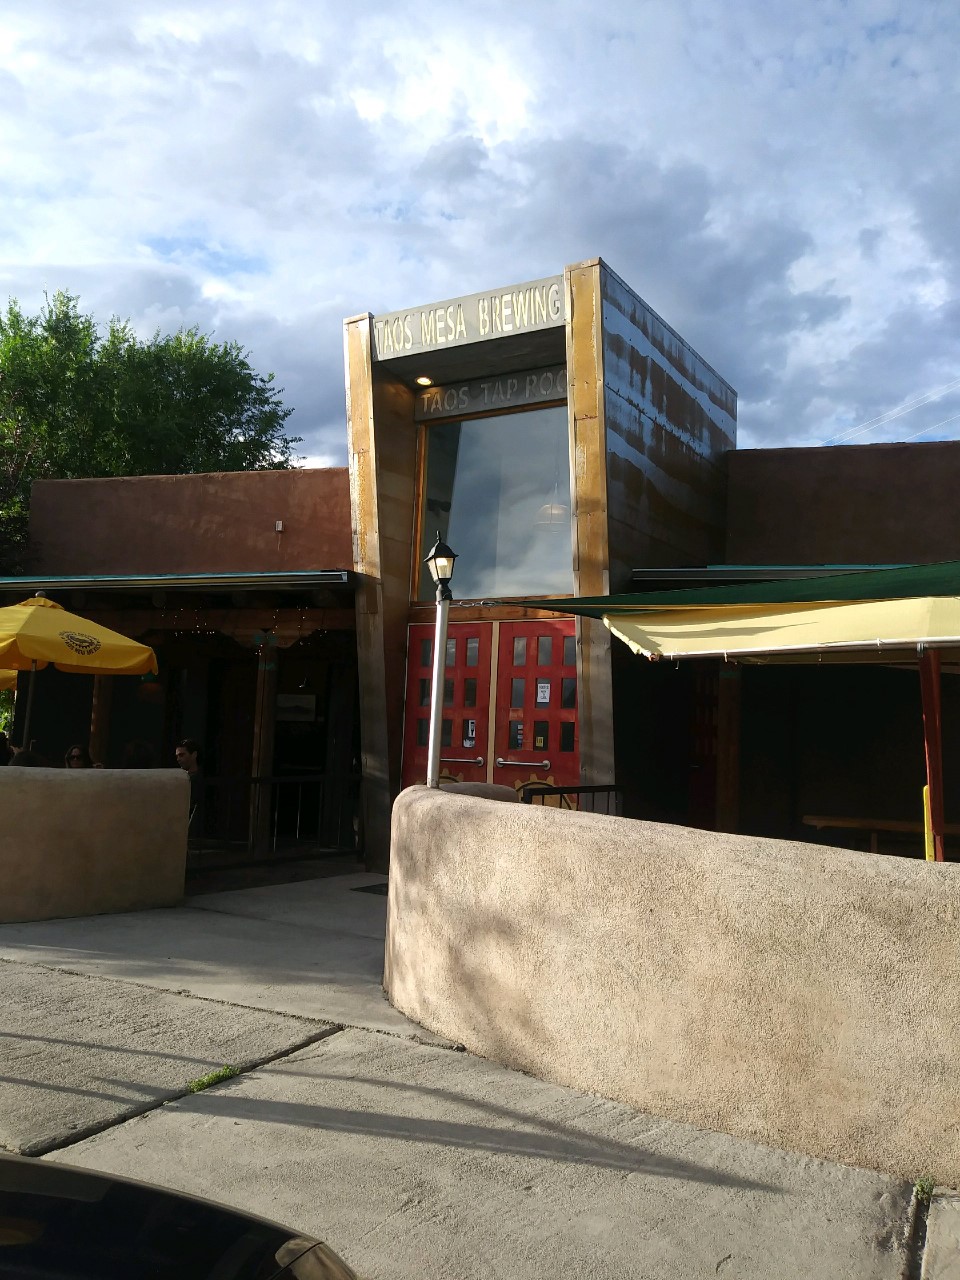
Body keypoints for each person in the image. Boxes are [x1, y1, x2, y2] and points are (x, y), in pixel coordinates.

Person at [175, 738, 205, 830]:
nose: (178, 759)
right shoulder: (179, 777)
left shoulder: (200, 778)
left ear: (194, 755)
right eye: (177, 756)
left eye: (182, 755)